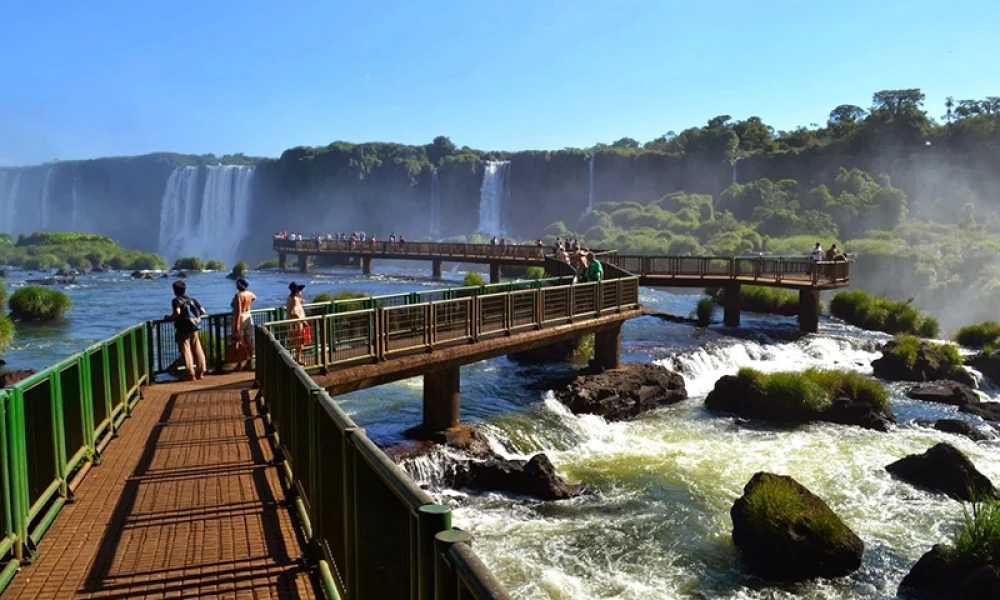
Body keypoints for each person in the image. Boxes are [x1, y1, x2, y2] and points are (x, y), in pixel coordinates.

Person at [164, 280, 206, 381]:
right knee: (197, 349)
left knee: (186, 350)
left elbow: (177, 312)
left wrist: (169, 318)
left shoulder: (176, 300)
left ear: (175, 290)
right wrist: (195, 319)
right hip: (194, 328)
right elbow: (203, 311)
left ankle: (190, 373)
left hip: (183, 329)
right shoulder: (191, 299)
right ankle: (201, 371)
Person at [230, 278, 256, 371]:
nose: (236, 285)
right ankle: (250, 362)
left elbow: (238, 311)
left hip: (240, 317)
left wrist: (237, 325)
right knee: (249, 340)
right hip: (248, 315)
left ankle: (239, 363)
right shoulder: (250, 294)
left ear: (241, 285)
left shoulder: (239, 296)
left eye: (237, 284)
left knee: (239, 341)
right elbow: (254, 297)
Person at [285, 282, 307, 363]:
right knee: (297, 342)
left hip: (291, 323)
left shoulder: (290, 298)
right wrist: (303, 321)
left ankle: (297, 358)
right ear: (297, 291)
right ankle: (284, 354)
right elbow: (293, 312)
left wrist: (299, 302)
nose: (301, 292)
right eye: (300, 290)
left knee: (296, 342)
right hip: (297, 324)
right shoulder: (295, 299)